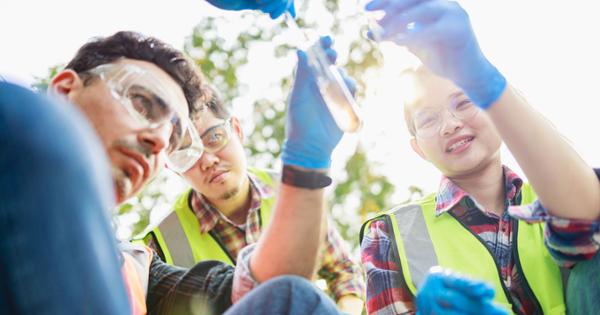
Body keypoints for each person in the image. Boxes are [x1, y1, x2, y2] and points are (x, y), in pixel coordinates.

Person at [2, 26, 351, 314]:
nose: (157, 141)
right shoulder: (21, 127)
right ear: (65, 90)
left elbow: (265, 295)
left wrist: (307, 163)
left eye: (172, 140)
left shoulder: (138, 268)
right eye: (141, 103)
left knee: (292, 296)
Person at [359, 0, 600, 314]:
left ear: (496, 111)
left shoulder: (552, 199)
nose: (451, 124)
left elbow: (588, 214)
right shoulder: (389, 233)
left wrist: (483, 76)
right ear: (417, 148)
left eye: (464, 102)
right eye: (429, 119)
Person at [139, 78, 365, 314]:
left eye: (214, 138)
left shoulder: (294, 192)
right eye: (187, 154)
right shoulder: (158, 245)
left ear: (236, 129)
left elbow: (344, 271)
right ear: (171, 166)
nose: (207, 160)